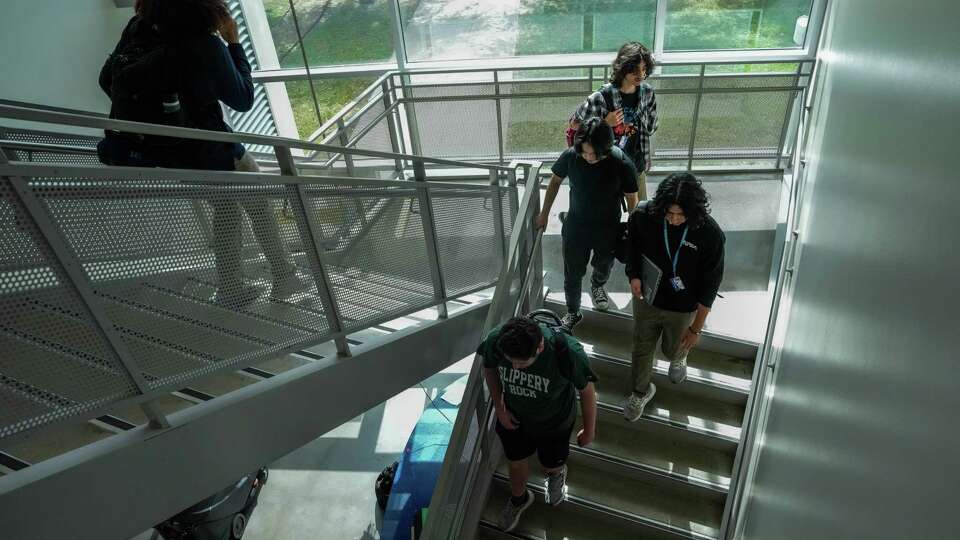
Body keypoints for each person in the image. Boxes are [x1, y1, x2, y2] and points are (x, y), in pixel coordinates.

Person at [101, 0, 305, 308]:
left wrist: (167, 109)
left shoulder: (139, 29)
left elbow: (108, 80)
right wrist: (234, 43)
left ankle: (231, 288)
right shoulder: (203, 45)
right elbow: (243, 98)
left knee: (225, 209)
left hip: (168, 152)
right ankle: (285, 277)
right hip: (213, 150)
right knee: (259, 204)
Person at [479, 316, 597, 533]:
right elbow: (489, 367)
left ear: (540, 346)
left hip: (554, 422)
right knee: (515, 462)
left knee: (550, 464)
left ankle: (556, 474)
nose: (515, 367)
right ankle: (519, 499)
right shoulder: (498, 340)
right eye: (511, 360)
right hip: (514, 418)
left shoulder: (568, 352)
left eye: (522, 363)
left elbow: (587, 390)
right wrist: (499, 406)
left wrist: (589, 430)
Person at [622, 173, 725, 421]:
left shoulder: (710, 234)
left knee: (672, 350)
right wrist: (633, 275)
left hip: (683, 306)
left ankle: (679, 358)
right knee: (641, 347)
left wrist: (696, 330)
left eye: (681, 214)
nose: (675, 220)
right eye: (669, 214)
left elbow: (711, 286)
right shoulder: (644, 216)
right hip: (647, 297)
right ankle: (641, 391)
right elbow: (632, 246)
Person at [537, 119, 639, 328]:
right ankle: (573, 311)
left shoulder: (621, 163)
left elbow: (632, 199)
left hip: (607, 227)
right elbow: (555, 181)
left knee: (604, 264)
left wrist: (633, 227)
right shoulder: (571, 156)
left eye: (595, 154)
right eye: (585, 152)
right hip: (576, 225)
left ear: (607, 148)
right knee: (572, 272)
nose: (589, 158)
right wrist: (544, 213)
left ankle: (597, 285)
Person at [569, 41, 658, 201]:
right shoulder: (601, 97)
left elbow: (651, 127)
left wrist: (642, 117)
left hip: (635, 163)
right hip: (606, 166)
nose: (641, 75)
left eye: (644, 69)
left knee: (640, 213)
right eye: (635, 69)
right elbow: (574, 124)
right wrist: (604, 122)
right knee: (606, 212)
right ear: (623, 68)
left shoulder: (647, 93)